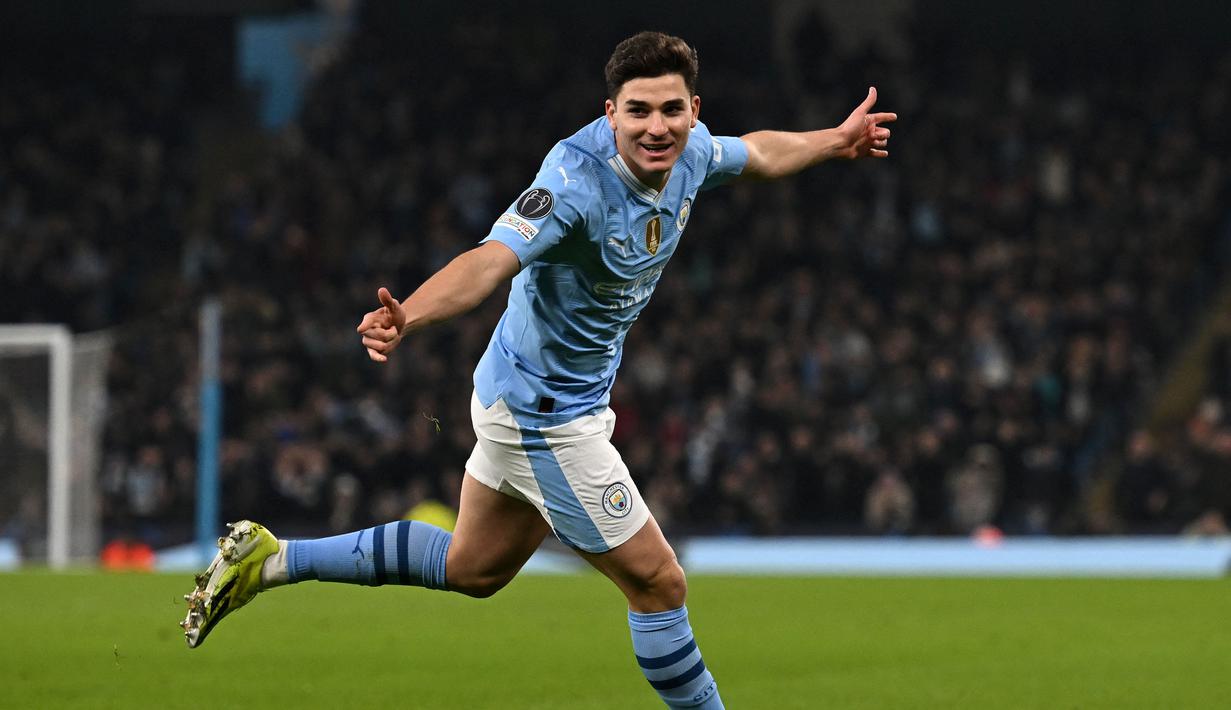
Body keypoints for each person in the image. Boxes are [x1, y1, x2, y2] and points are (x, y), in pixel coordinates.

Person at [181, 31, 895, 708]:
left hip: (536, 396)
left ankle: (270, 560)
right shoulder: (574, 182)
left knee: (473, 569)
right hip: (542, 416)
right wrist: (412, 316)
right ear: (608, 112)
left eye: (671, 110)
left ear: (692, 112)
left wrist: (834, 141)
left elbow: (759, 153)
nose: (656, 127)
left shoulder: (693, 153)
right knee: (658, 582)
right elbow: (489, 261)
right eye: (638, 111)